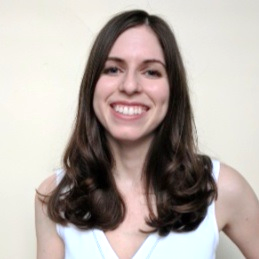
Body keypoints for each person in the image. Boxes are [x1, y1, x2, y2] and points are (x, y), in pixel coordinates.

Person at [35, 10, 259, 259]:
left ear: (172, 89)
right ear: (92, 85)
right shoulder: (55, 198)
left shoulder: (221, 189)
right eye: (112, 69)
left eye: (151, 72)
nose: (129, 86)